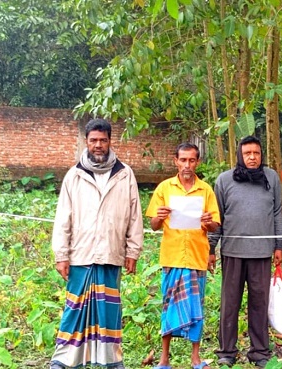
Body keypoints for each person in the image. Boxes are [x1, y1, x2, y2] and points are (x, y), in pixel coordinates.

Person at [50, 118, 144, 369]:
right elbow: (63, 217)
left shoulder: (125, 174)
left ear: (110, 141)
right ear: (86, 142)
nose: (98, 145)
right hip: (80, 255)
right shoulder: (75, 175)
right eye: (93, 140)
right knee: (75, 310)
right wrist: (61, 254)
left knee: (108, 312)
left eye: (103, 140)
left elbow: (135, 215)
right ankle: (64, 361)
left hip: (111, 254)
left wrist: (133, 250)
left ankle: (111, 361)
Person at [209, 136, 282, 367]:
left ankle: (260, 352)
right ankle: (226, 352)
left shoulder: (271, 178)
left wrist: (278, 246)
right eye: (248, 153)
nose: (252, 157)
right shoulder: (224, 180)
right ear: (240, 156)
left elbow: (277, 213)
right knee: (230, 302)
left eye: (257, 153)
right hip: (232, 251)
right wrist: (211, 248)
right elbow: (216, 217)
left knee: (259, 303)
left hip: (261, 252)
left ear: (262, 155)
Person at [146, 143, 220, 369]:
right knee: (168, 307)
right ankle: (164, 359)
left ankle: (195, 358)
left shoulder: (205, 190)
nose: (187, 165)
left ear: (197, 162)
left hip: (197, 257)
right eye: (183, 160)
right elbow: (154, 224)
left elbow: (216, 225)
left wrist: (209, 223)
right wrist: (158, 217)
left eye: (191, 160)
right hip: (172, 258)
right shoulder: (164, 188)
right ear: (175, 161)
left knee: (196, 308)